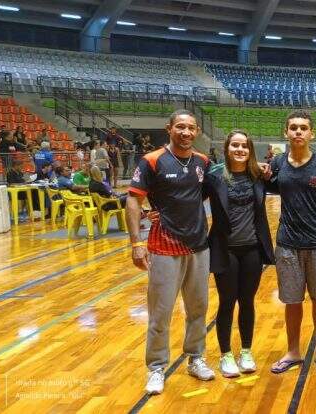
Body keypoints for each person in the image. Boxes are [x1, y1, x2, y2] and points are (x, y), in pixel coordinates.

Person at [126, 110, 215, 395]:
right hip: (163, 246)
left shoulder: (203, 162)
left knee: (198, 308)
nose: (186, 132)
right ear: (169, 129)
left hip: (199, 245)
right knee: (161, 312)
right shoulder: (152, 160)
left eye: (190, 128)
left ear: (197, 131)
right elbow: (133, 201)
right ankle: (156, 368)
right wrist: (136, 243)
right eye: (180, 127)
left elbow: (206, 194)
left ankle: (196, 358)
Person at [266, 110, 316, 375]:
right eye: (293, 127)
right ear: (286, 132)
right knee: (292, 301)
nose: (298, 131)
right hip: (287, 243)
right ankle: (293, 351)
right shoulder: (277, 164)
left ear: (311, 133)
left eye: (303, 127)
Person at [205, 130, 275, 378]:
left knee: (247, 301)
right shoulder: (214, 177)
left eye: (244, 146)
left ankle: (246, 351)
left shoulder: (258, 175)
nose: (240, 150)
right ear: (227, 148)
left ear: (250, 150)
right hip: (225, 249)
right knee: (227, 302)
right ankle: (225, 355)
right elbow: (189, 200)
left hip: (252, 249)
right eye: (235, 145)